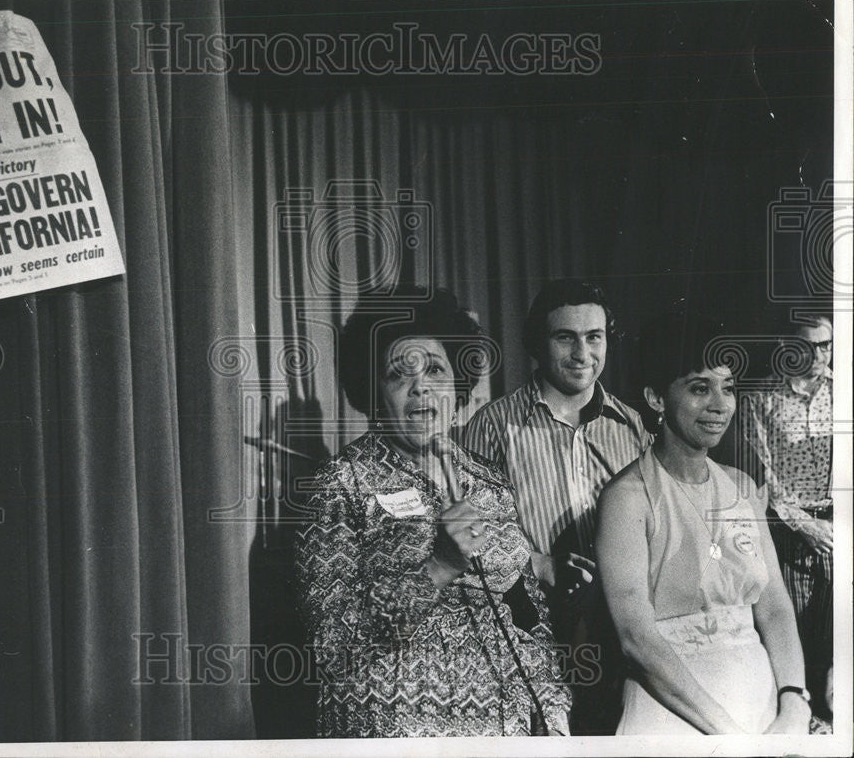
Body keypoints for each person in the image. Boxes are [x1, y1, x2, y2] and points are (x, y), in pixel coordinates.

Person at [294, 286, 570, 737]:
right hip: (397, 729)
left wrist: (553, 709)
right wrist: (437, 567)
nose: (421, 385)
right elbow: (331, 646)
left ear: (458, 383)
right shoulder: (342, 484)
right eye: (398, 375)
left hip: (505, 728)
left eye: (436, 369)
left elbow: (530, 616)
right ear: (373, 392)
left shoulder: (489, 481)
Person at [596, 311, 809, 734]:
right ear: (656, 399)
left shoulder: (742, 487)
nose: (719, 405)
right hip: (675, 705)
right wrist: (728, 736)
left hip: (761, 694)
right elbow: (636, 638)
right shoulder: (626, 499)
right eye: (699, 388)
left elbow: (775, 607)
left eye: (727, 389)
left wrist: (794, 702)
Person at [461, 278, 650, 733]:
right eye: (564, 336)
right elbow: (469, 539)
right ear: (536, 344)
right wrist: (540, 563)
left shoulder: (633, 426)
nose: (582, 353)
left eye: (594, 337)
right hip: (533, 634)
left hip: (622, 630)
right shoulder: (493, 426)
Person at [739, 314, 833, 723]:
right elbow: (765, 476)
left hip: (841, 525)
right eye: (807, 346)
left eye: (826, 345)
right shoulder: (760, 400)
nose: (818, 356)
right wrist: (805, 526)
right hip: (792, 533)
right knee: (798, 635)